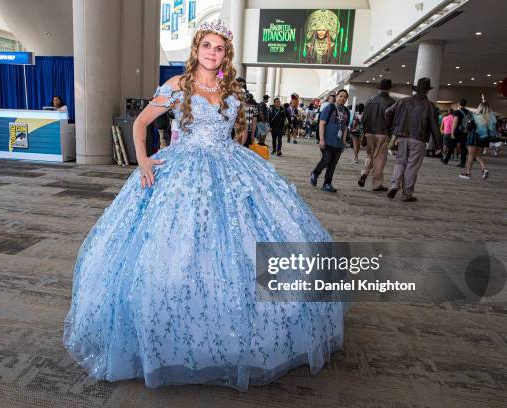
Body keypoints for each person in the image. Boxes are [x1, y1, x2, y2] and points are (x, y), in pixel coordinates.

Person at [63, 19, 344, 391]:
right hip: (184, 169)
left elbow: (239, 132)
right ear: (196, 49)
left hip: (229, 166)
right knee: (174, 247)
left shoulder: (231, 88)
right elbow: (142, 123)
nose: (213, 53)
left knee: (242, 243)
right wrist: (143, 160)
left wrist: (240, 145)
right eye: (207, 46)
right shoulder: (176, 86)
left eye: (220, 48)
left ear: (226, 54)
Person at [385, 78, 440, 202]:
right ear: (427, 91)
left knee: (400, 162)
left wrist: (394, 128)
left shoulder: (403, 101)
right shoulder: (430, 106)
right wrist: (438, 146)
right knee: (412, 166)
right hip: (419, 139)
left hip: (402, 137)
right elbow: (435, 127)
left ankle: (394, 185)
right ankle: (407, 193)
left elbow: (387, 112)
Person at [358, 79, 396, 191]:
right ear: (389, 88)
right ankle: (377, 184)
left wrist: (364, 133)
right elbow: (393, 120)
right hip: (382, 133)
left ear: (379, 88)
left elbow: (364, 118)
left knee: (370, 155)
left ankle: (364, 173)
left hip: (369, 132)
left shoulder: (370, 101)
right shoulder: (392, 102)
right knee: (379, 158)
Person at [310, 89, 350, 193]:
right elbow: (322, 124)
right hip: (327, 141)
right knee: (327, 160)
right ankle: (315, 173)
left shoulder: (346, 111)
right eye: (340, 96)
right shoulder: (329, 108)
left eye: (345, 97)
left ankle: (327, 184)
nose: (342, 99)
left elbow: (345, 128)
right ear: (336, 97)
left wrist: (344, 142)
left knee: (333, 164)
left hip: (338, 143)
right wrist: (321, 140)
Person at [459, 100, 497, 180]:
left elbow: (469, 128)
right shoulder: (491, 118)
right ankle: (484, 169)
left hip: (474, 138)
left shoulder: (475, 116)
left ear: (480, 108)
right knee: (478, 155)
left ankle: (468, 173)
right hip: (484, 138)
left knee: (471, 156)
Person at [443, 99, 470, 167]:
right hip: (464, 131)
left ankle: (446, 160)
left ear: (459, 104)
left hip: (457, 132)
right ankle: (463, 163)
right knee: (463, 147)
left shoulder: (457, 111)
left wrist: (452, 132)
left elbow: (455, 122)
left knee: (452, 146)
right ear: (465, 104)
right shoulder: (468, 112)